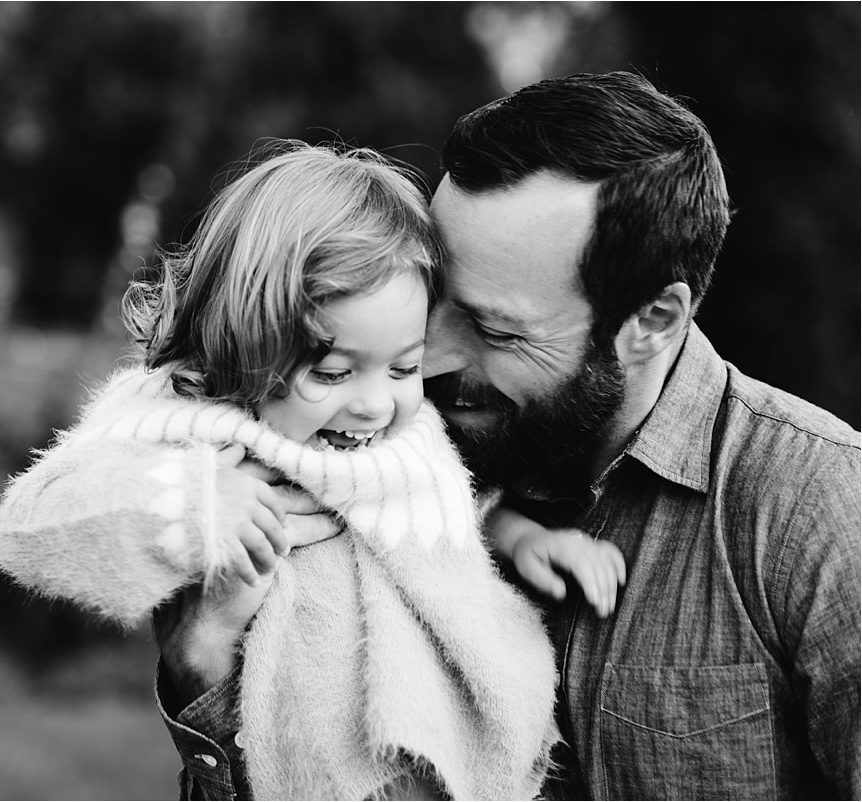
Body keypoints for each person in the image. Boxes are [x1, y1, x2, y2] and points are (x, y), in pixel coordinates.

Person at [150, 73, 861, 800]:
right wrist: (203, 667)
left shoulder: (816, 510)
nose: (434, 358)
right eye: (431, 301)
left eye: (494, 329)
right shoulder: (367, 453)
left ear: (652, 322)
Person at [0, 143, 606, 799]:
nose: (373, 403)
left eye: (403, 366)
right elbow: (34, 524)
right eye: (333, 373)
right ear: (247, 340)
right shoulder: (192, 425)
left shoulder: (412, 429)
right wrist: (198, 503)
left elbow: (448, 497)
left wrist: (522, 537)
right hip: (315, 767)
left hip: (455, 755)